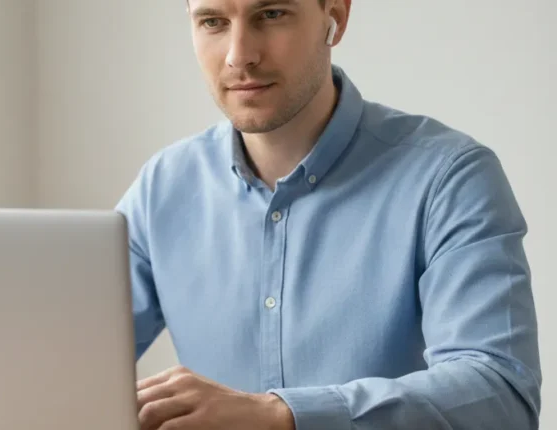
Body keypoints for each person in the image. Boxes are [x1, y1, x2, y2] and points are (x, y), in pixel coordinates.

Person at [114, 0, 542, 429]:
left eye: (271, 14)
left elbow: (501, 395)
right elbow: (63, 358)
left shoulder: (449, 177)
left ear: (335, 14)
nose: (239, 54)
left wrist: (280, 416)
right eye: (213, 22)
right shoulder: (162, 189)